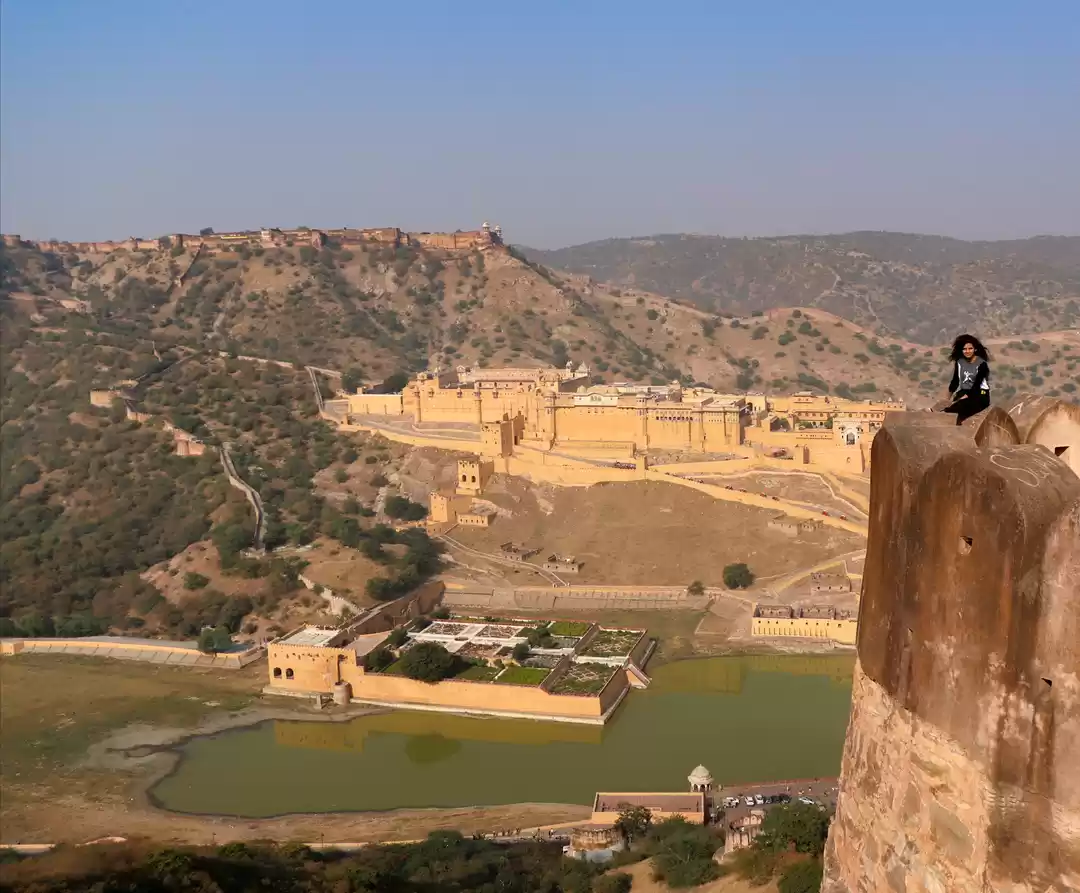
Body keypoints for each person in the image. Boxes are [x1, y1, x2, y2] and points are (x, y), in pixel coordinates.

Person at [939, 334, 991, 423]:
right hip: (964, 391)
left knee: (961, 406)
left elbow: (977, 385)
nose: (967, 351)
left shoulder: (982, 364)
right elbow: (955, 382)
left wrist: (965, 397)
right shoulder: (959, 362)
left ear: (975, 349)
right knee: (953, 404)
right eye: (965, 349)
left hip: (980, 393)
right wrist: (946, 399)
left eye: (970, 348)